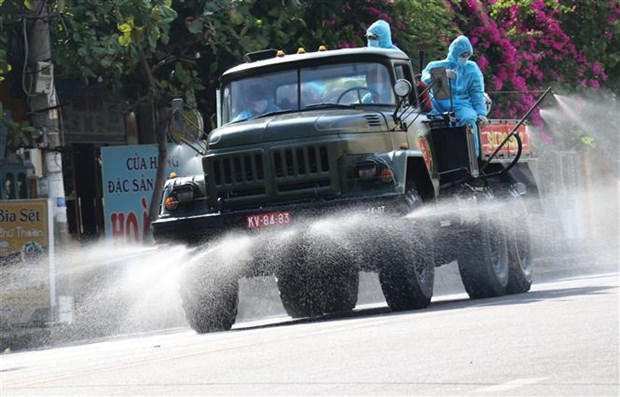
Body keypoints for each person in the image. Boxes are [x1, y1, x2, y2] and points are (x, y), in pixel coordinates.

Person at [421, 35, 488, 157]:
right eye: (462, 55)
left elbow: (476, 92)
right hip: (437, 104)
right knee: (427, 123)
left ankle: (470, 158)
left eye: (467, 55)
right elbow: (423, 81)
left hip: (462, 104)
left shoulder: (472, 68)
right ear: (454, 52)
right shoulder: (436, 65)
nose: (465, 58)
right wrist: (441, 74)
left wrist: (481, 113)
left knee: (468, 119)